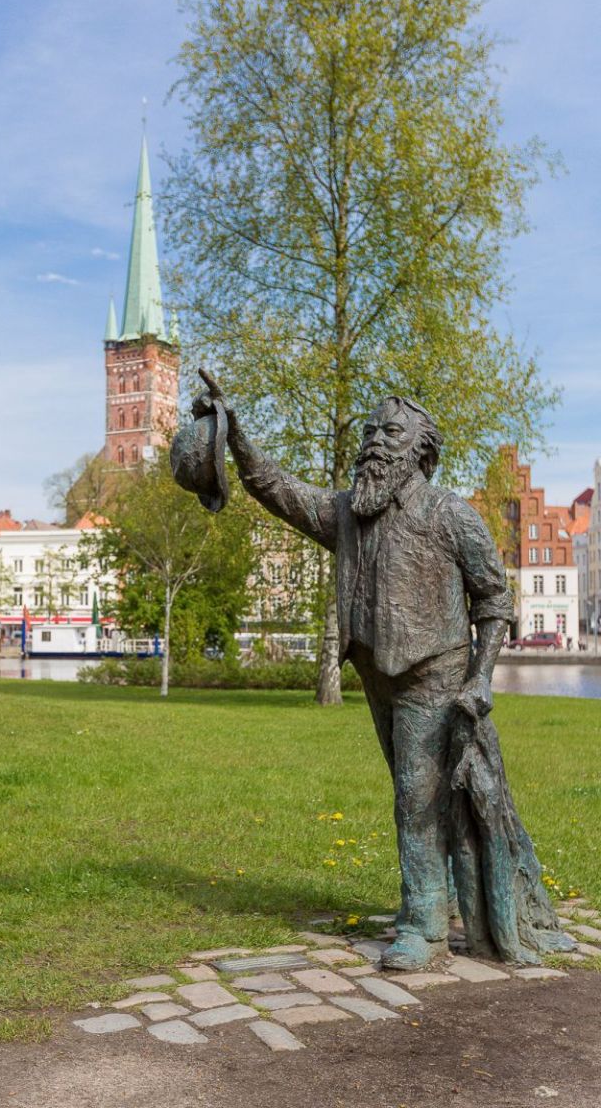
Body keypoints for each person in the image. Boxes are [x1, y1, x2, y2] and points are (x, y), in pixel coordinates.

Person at [198, 375, 519, 969]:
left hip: (435, 673)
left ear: (420, 450)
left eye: (390, 432)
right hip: (377, 673)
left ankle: (423, 924)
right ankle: (439, 899)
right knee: (419, 793)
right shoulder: (346, 512)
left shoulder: (451, 515)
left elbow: (495, 602)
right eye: (370, 430)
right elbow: (277, 487)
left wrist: (480, 676)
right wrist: (235, 437)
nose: (373, 441)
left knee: (415, 797)